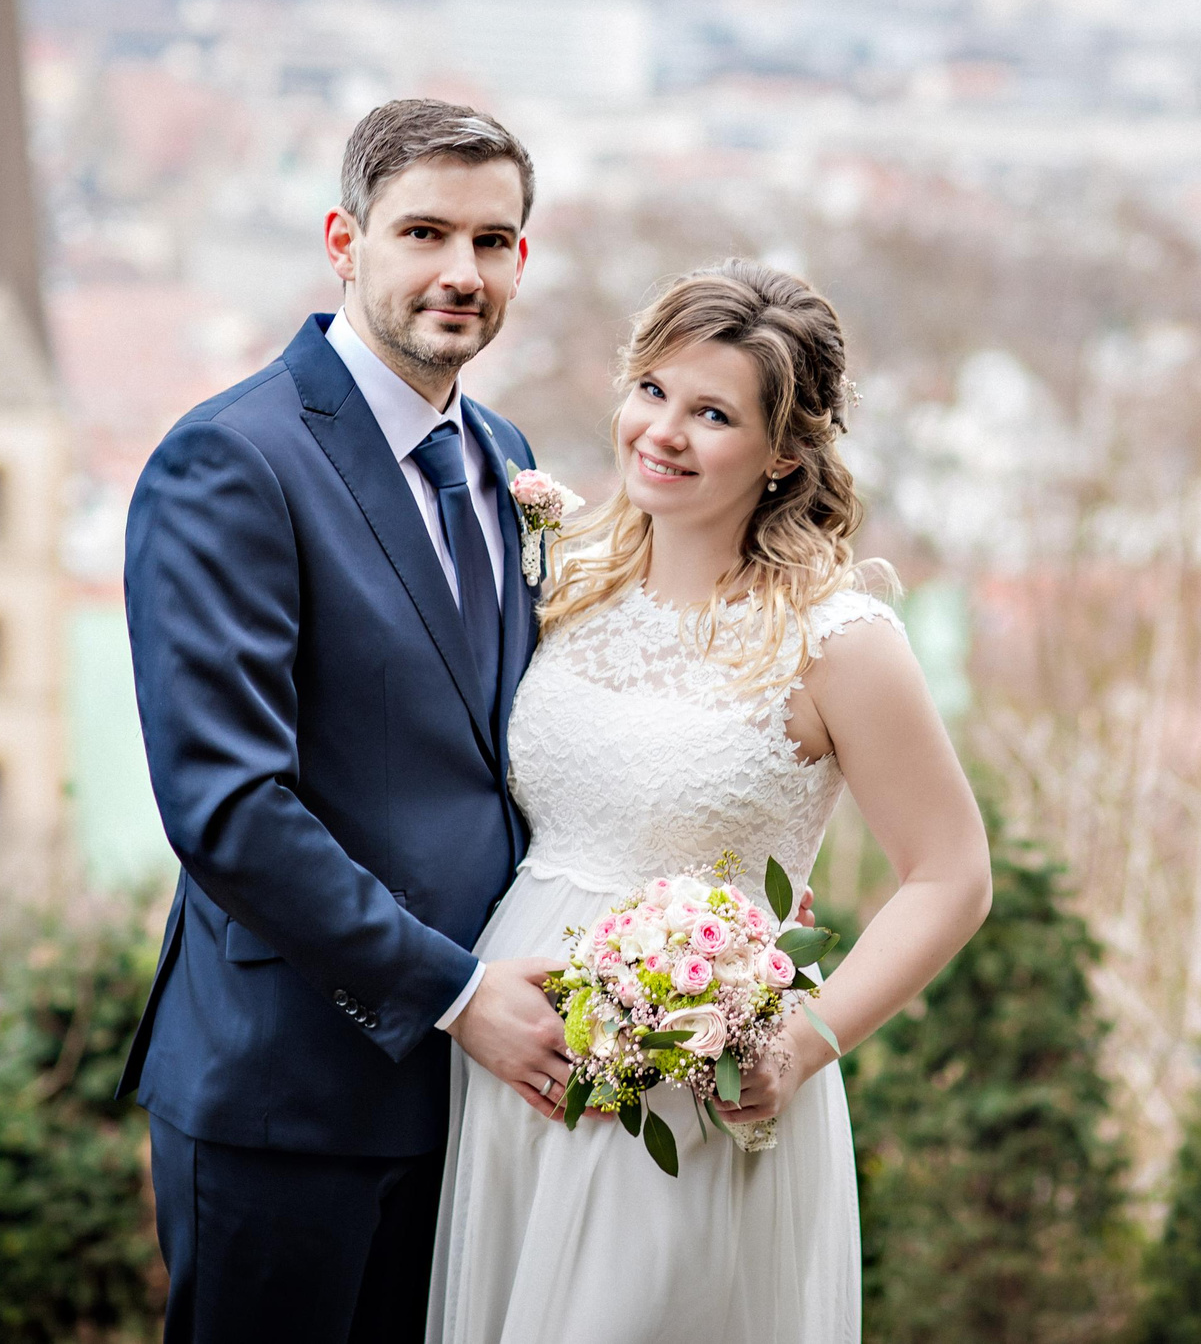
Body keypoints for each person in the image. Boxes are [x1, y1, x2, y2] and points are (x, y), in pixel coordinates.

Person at [426, 261, 995, 1344]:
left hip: (689, 1081)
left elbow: (951, 874)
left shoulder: (838, 639)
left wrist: (802, 1042)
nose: (664, 433)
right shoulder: (562, 579)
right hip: (510, 1056)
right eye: (653, 392)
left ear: (785, 451)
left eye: (714, 414)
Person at [117, 99, 579, 1343]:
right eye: (423, 231)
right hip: (293, 1093)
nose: (459, 272)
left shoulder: (504, 455)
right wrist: (453, 992)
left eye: (493, 241)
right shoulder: (232, 460)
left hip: (475, 1103)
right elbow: (227, 808)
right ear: (343, 239)